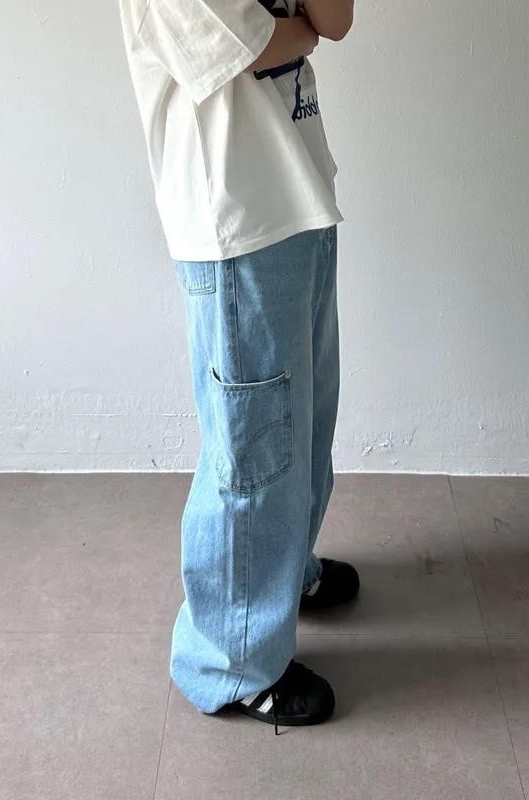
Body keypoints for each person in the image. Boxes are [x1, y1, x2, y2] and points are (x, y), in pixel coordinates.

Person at [118, 0, 359, 734]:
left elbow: (335, 21)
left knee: (304, 425)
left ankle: (284, 577)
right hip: (234, 220)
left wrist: (300, 29)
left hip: (297, 195)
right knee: (253, 451)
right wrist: (298, 29)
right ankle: (231, 663)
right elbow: (253, 48)